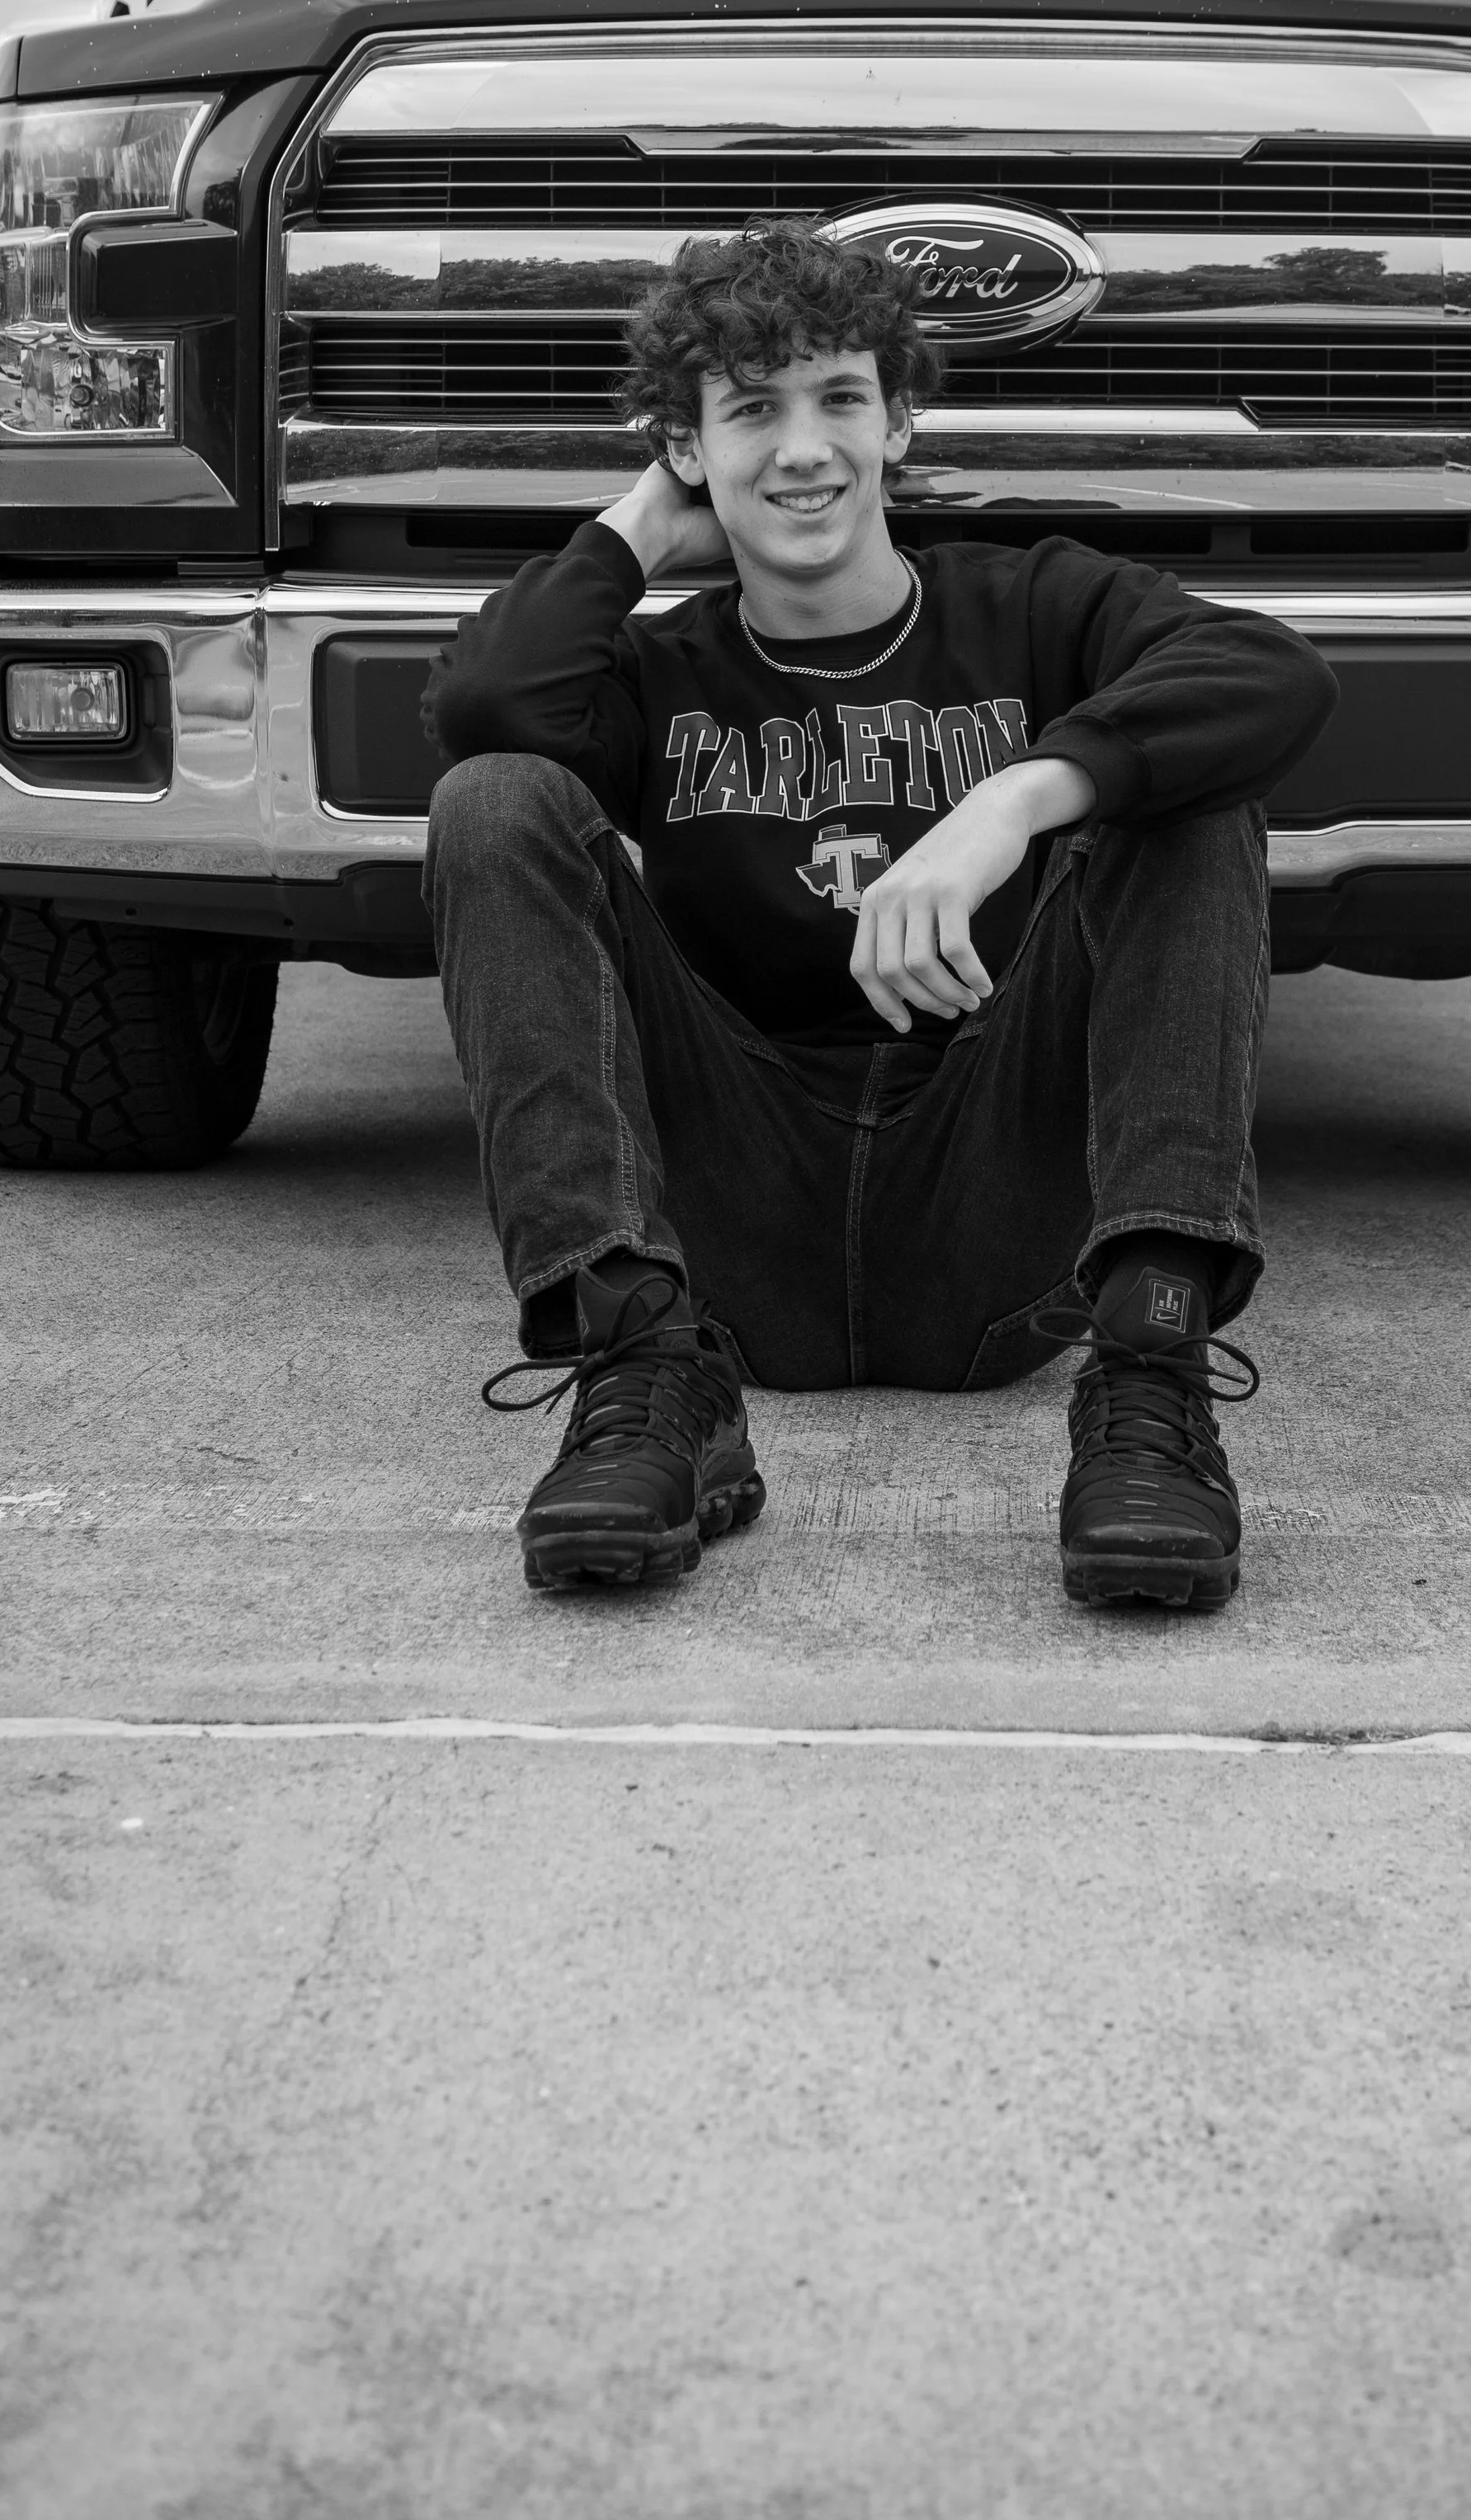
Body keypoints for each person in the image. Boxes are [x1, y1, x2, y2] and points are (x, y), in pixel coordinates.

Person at [424, 219, 1337, 1610]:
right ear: (686, 447)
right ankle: (644, 1370)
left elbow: (1274, 676)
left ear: (900, 421)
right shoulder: (657, 667)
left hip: (992, 1196)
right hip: (735, 1223)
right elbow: (484, 708)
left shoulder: (1031, 605)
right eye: (751, 413)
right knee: (493, 800)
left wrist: (1014, 803)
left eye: (842, 399)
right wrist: (630, 532)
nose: (804, 449)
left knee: (1189, 795)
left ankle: (1151, 1383)